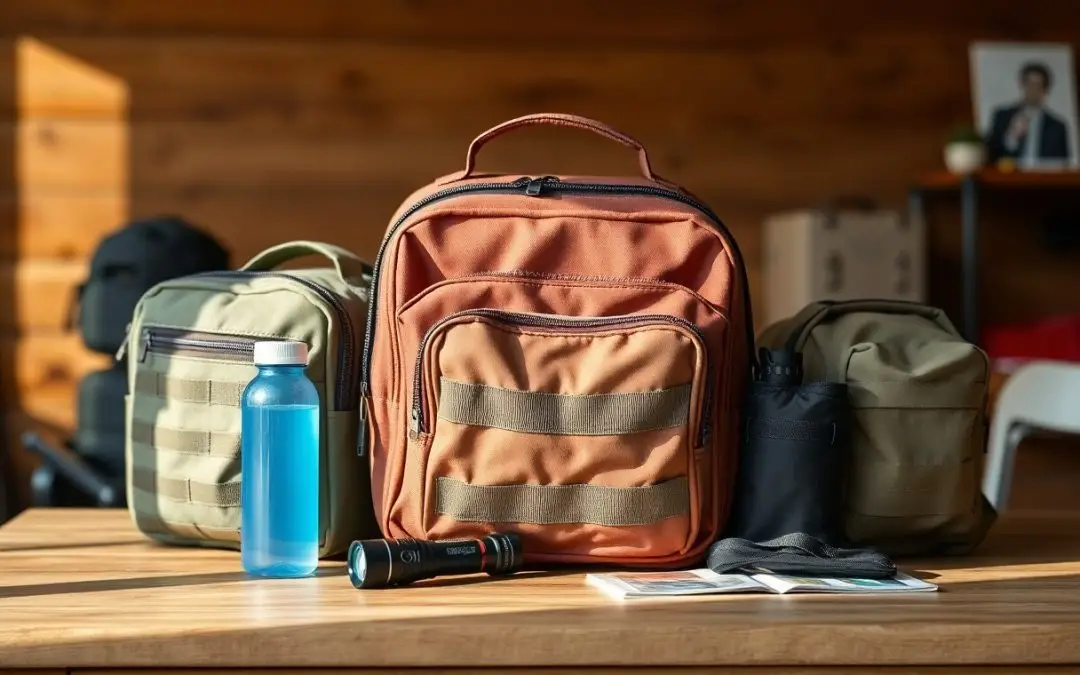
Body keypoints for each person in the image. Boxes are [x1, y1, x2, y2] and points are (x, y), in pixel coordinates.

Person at [986, 61, 1071, 165]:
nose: (1033, 90)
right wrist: (1012, 136)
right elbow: (991, 155)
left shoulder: (1057, 127)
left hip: (1045, 179)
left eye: (1038, 85)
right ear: (1022, 85)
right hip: (1011, 178)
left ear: (1045, 90)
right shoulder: (1003, 116)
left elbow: (1063, 164)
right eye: (1030, 84)